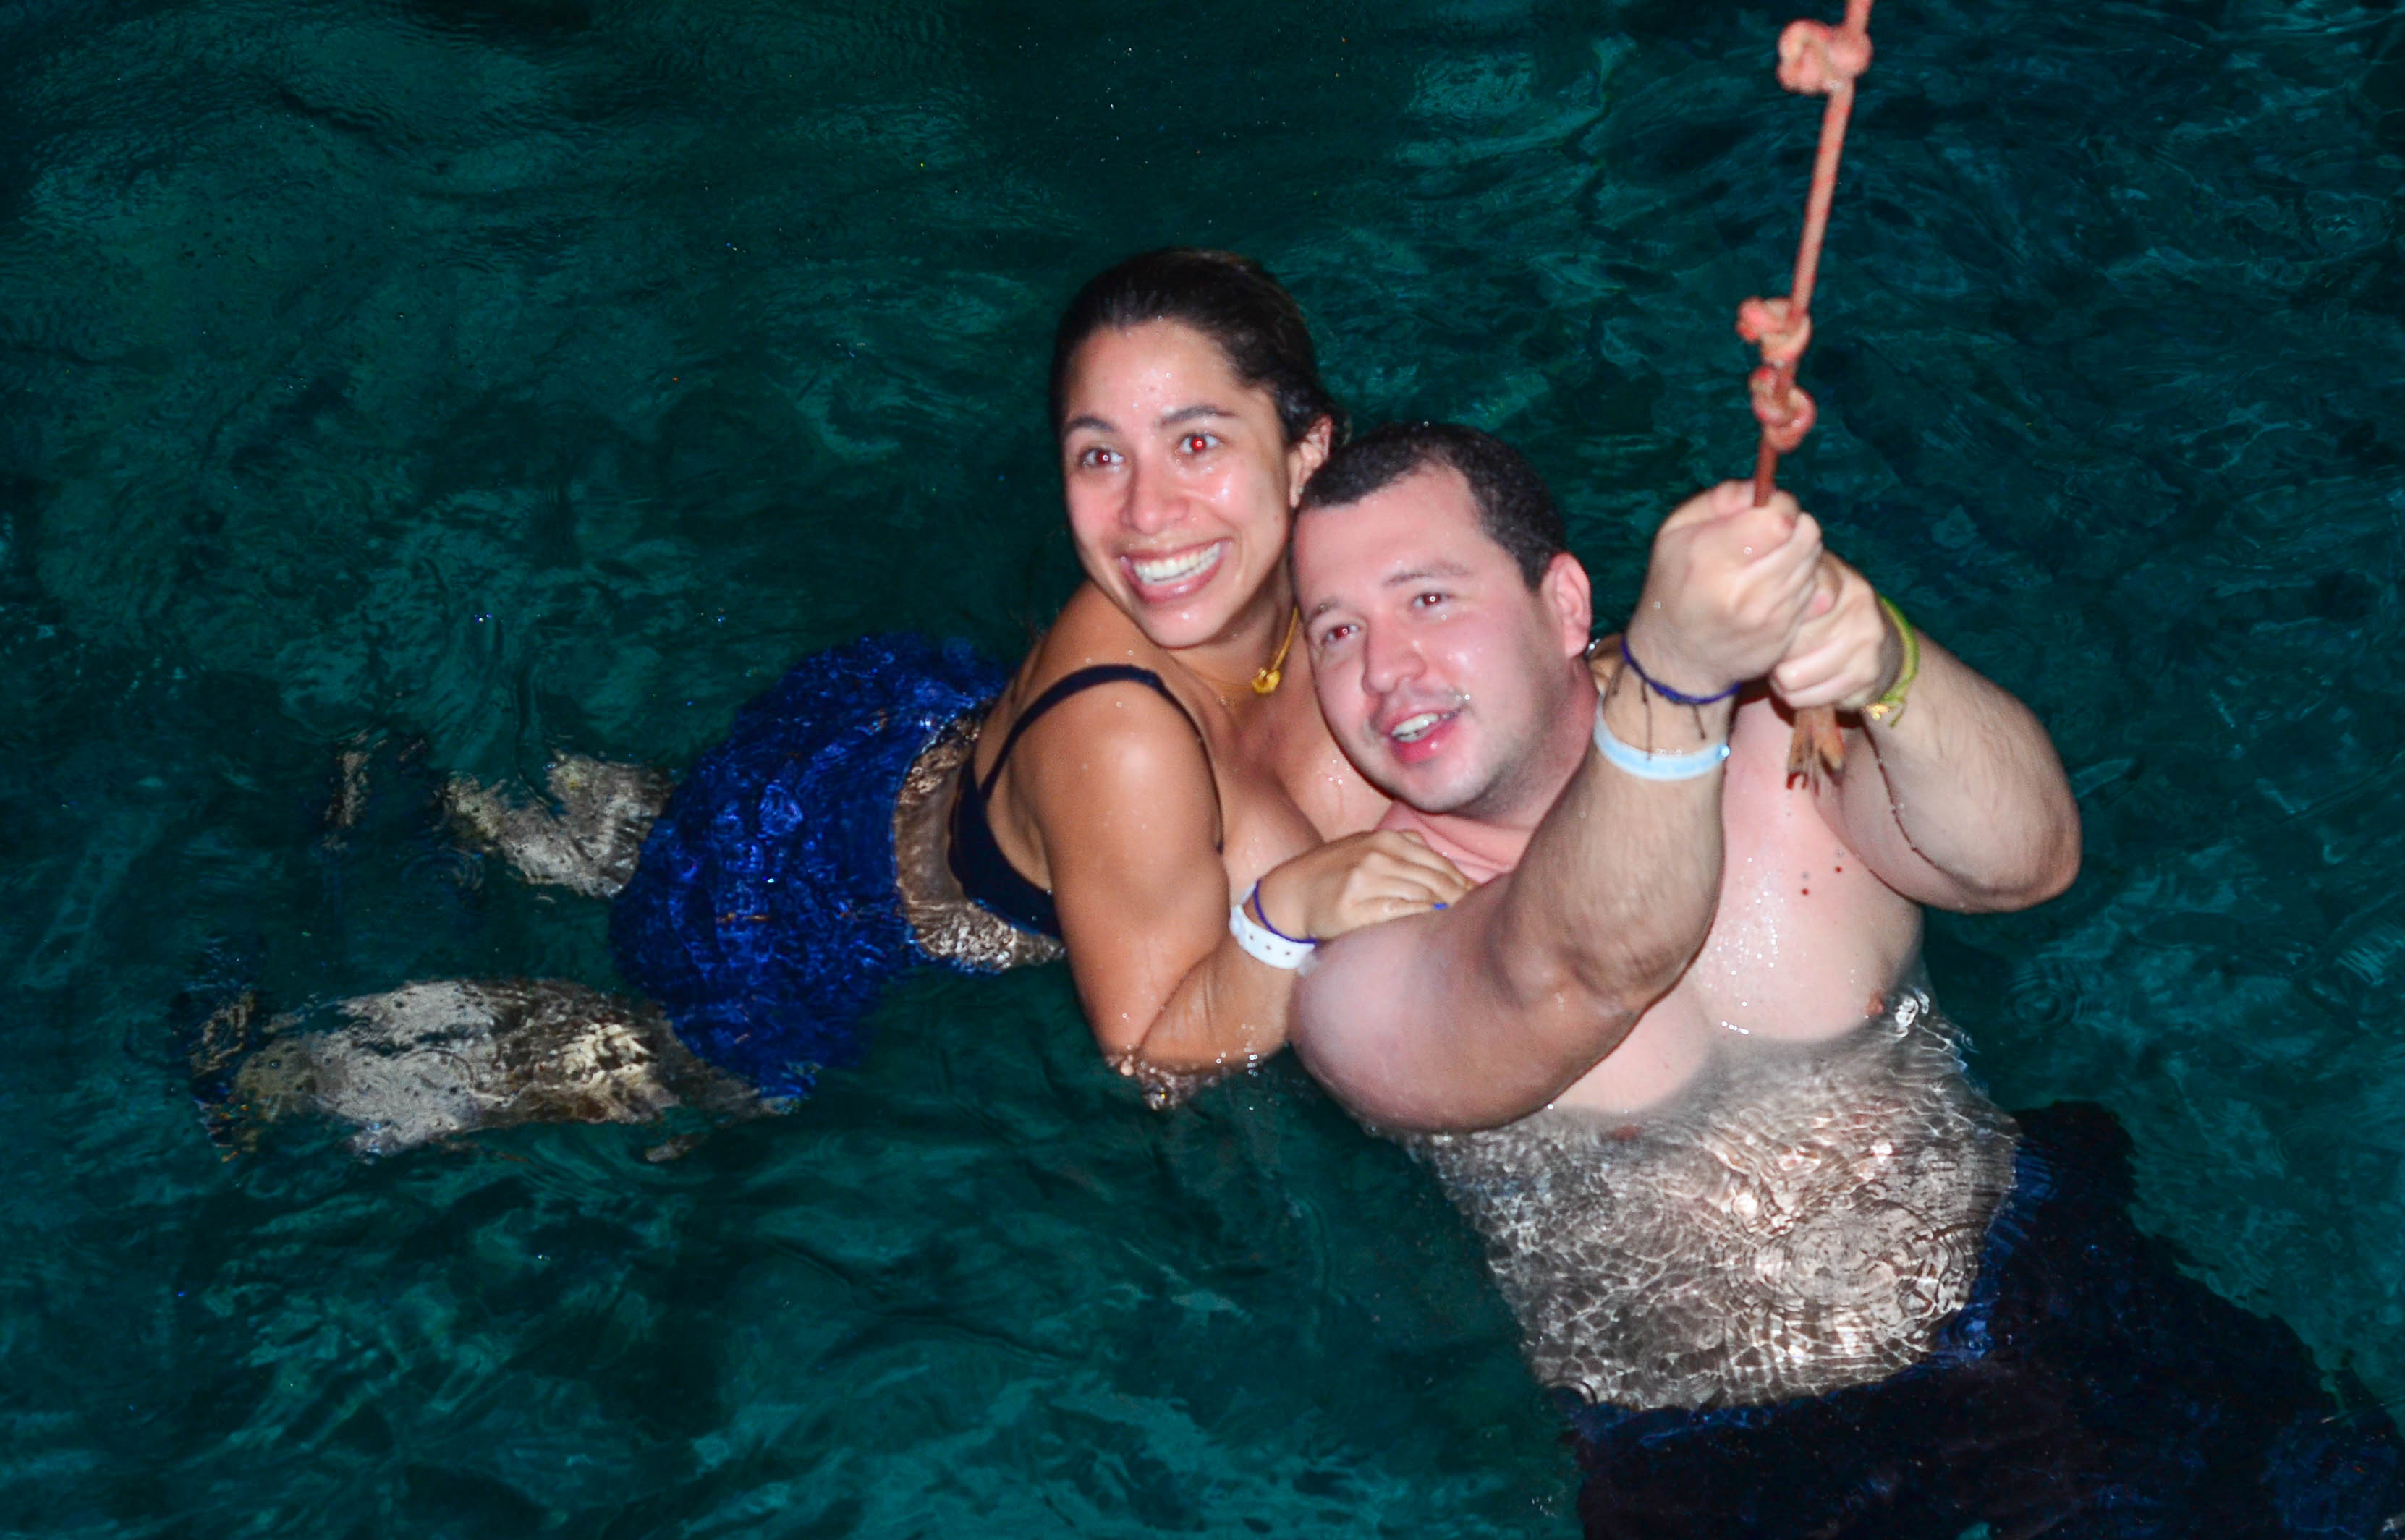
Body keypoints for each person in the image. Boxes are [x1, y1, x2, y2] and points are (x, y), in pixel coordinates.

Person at [1279, 422, 2405, 1540]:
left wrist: (1887, 660)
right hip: (1711, 1448)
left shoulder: (1778, 742)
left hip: (2020, 1293)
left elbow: (2027, 859)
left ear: (1562, 602)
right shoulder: (1367, 956)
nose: (1385, 671)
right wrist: (1667, 683)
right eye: (1332, 632)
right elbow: (1581, 964)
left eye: (1427, 599)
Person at [198, 251, 1468, 1154]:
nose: (1145, 518)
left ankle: (461, 791)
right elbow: (1148, 1055)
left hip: (884, 745)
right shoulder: (1127, 736)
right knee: (689, 1069)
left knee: (684, 839)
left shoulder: (1336, 577)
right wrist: (1290, 921)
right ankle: (289, 1061)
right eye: (1099, 457)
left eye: (1197, 443)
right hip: (838, 911)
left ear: (1308, 450)